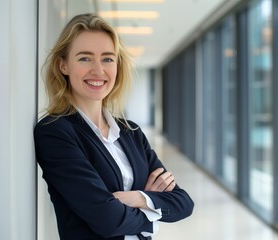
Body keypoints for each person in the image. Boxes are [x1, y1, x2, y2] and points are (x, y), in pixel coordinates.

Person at [34, 13, 194, 240]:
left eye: (108, 59)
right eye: (85, 58)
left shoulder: (132, 133)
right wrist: (152, 207)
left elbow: (183, 203)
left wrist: (138, 198)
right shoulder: (55, 132)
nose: (98, 70)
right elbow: (108, 220)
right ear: (63, 65)